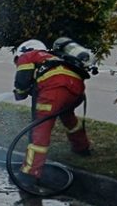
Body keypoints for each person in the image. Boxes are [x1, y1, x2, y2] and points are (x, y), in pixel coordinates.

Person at [12, 38, 91, 189]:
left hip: (54, 90)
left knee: (40, 128)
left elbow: (22, 79)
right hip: (77, 89)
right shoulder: (53, 58)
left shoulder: (28, 55)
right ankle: (82, 148)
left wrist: (20, 92)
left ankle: (30, 174)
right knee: (69, 118)